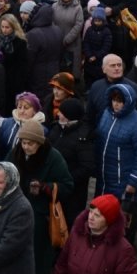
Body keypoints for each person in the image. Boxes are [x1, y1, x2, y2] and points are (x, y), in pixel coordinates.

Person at [9, 118, 74, 274]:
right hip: (15, 212)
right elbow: (6, 171)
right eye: (23, 142)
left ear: (39, 142)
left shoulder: (53, 157)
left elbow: (68, 185)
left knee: (38, 261)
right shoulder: (17, 153)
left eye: (30, 143)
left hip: (40, 219)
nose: (26, 147)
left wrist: (46, 187)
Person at [94, 83, 137, 243]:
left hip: (123, 184)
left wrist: (133, 182)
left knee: (124, 228)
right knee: (104, 221)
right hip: (105, 181)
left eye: (120, 101)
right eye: (114, 100)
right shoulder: (107, 114)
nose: (116, 104)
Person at [47, 97, 95, 230]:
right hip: (53, 187)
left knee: (69, 224)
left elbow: (87, 167)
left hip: (73, 193)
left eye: (62, 112)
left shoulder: (82, 138)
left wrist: (65, 179)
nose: (58, 114)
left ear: (69, 116)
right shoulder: (56, 128)